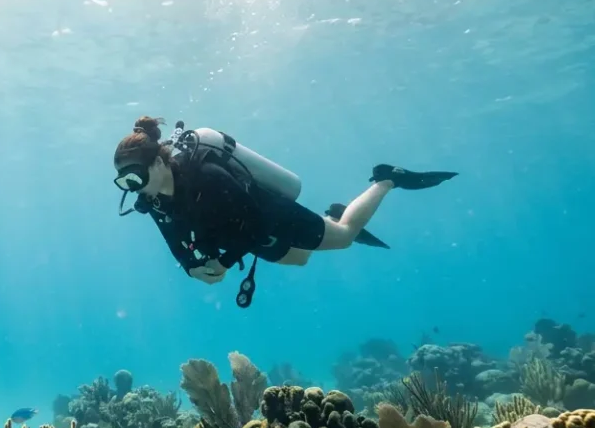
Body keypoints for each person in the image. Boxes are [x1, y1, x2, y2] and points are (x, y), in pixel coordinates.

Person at [113, 116, 456, 307]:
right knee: (301, 259)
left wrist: (225, 262)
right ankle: (332, 216)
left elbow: (257, 222)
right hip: (237, 233)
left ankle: (387, 180)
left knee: (344, 237)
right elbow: (172, 239)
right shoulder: (152, 197)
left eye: (135, 176)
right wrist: (190, 268)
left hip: (267, 214)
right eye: (124, 180)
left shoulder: (206, 175)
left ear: (158, 162)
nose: (132, 186)